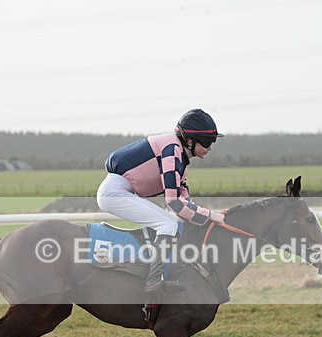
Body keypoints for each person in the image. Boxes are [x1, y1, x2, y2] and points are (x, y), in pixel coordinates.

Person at [96, 109, 226, 300]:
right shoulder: (171, 150)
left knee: (170, 222)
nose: (210, 148)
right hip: (114, 193)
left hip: (123, 192)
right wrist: (209, 215)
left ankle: (155, 270)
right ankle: (153, 282)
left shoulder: (180, 158)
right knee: (167, 224)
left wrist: (208, 217)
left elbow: (184, 202)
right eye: (208, 142)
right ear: (190, 141)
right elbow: (173, 202)